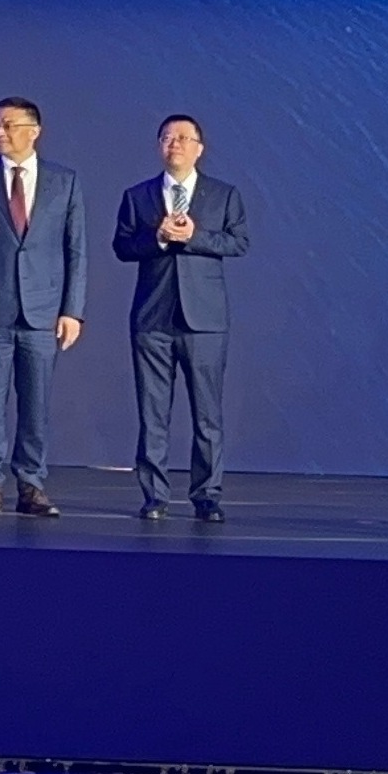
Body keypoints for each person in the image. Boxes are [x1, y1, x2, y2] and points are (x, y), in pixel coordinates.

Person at [0, 96, 87, 516]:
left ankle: (31, 484)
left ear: (34, 131)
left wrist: (72, 310)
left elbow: (76, 250)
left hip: (43, 312)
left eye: (8, 125)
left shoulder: (64, 181)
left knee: (36, 406)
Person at [117, 113, 249, 522]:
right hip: (152, 318)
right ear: (159, 146)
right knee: (152, 414)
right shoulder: (138, 196)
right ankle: (154, 496)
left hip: (205, 320)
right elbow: (122, 246)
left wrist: (195, 236)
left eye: (183, 138)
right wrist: (157, 238)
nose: (174, 144)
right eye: (167, 138)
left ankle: (207, 495)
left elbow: (238, 242)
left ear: (199, 148)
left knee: (207, 414)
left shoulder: (223, 195)